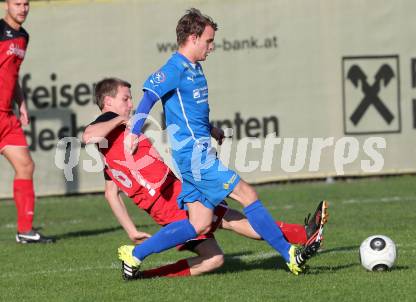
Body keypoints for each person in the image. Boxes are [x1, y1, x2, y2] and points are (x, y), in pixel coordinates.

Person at [122, 8, 328, 276]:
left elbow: (189, 114)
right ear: (193, 38)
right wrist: (134, 132)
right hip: (195, 157)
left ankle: (135, 254)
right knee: (247, 194)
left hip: (196, 154)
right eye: (208, 41)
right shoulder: (174, 68)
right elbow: (148, 97)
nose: (212, 46)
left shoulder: (194, 69)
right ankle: (289, 254)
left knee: (199, 223)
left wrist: (211, 129)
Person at [82, 77, 328, 279]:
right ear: (108, 101)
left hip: (173, 193)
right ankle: (303, 235)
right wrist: (122, 119)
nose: (131, 104)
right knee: (230, 220)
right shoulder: (109, 124)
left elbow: (110, 192)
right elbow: (88, 135)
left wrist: (131, 229)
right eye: (125, 99)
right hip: (166, 200)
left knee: (214, 258)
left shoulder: (112, 150)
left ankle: (143, 275)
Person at [0, 0, 54, 243]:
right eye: (17, 3)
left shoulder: (23, 36)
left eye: (26, 4)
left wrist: (21, 103)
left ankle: (25, 231)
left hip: (6, 116)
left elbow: (12, 74)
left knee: (26, 166)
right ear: (6, 5)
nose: (22, 8)